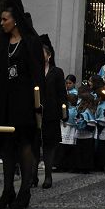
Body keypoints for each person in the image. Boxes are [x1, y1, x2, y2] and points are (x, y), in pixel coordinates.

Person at [0, 0, 44, 209]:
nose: (2, 23)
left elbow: (37, 75)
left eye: (5, 19)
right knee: (7, 149)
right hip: (5, 101)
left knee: (24, 146)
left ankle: (24, 190)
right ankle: (7, 190)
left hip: (24, 102)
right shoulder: (2, 43)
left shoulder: (31, 42)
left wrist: (37, 103)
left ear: (15, 20)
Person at [39, 34, 66, 188]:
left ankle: (48, 175)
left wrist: (63, 111)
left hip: (51, 113)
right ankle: (31, 176)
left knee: (49, 146)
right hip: (35, 112)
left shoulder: (57, 72)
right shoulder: (34, 71)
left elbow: (61, 93)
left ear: (49, 55)